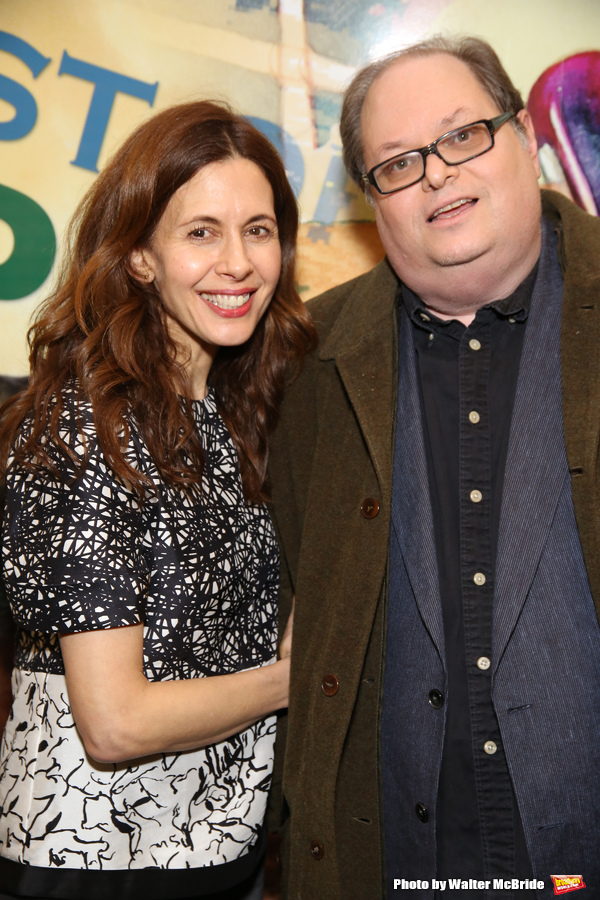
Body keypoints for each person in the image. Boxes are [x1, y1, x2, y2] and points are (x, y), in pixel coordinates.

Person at [268, 35, 600, 900]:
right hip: (393, 867)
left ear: (525, 137)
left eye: (463, 136)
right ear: (368, 198)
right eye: (398, 162)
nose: (437, 176)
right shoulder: (303, 367)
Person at [0, 100, 314, 900]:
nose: (238, 262)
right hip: (96, 859)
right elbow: (116, 722)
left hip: (221, 849)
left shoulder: (230, 410)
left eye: (259, 229)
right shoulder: (86, 425)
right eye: (200, 232)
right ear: (140, 256)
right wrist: (301, 675)